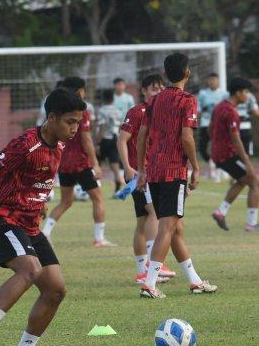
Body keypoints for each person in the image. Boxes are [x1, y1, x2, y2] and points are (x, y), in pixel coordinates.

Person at [0, 88, 86, 346]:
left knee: (56, 290)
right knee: (30, 269)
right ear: (51, 118)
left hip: (29, 223)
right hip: (2, 218)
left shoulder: (60, 144)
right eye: (70, 122)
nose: (75, 128)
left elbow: (36, 178)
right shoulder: (26, 144)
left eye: (78, 122)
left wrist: (38, 203)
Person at [136, 53, 217, 298]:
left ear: (165, 73)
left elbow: (141, 136)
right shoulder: (187, 100)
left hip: (155, 171)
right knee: (167, 228)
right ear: (187, 73)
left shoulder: (154, 100)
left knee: (175, 228)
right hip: (173, 171)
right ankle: (150, 284)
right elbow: (187, 137)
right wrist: (196, 167)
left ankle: (194, 281)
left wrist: (141, 169)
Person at [41, 77, 114, 247]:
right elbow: (86, 139)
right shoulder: (81, 110)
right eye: (84, 90)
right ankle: (99, 238)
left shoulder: (58, 111)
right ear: (79, 91)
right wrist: (95, 163)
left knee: (66, 201)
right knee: (98, 199)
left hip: (63, 163)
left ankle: (45, 233)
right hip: (81, 163)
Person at [118, 74, 176, 284]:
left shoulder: (162, 112)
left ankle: (142, 270)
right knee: (153, 213)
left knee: (142, 221)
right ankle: (154, 266)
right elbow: (122, 140)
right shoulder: (137, 111)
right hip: (140, 174)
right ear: (143, 91)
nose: (158, 91)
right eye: (153, 88)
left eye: (161, 88)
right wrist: (127, 167)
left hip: (155, 172)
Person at [210, 78, 259, 232]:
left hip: (218, 153)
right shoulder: (231, 112)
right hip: (228, 154)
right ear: (238, 93)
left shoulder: (219, 106)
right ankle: (252, 224)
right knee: (255, 183)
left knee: (242, 181)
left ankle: (221, 212)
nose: (247, 96)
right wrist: (246, 160)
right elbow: (235, 139)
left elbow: (210, 128)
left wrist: (214, 144)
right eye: (246, 92)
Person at [197, 73, 229, 182]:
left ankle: (219, 172)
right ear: (208, 81)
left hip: (219, 125)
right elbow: (198, 107)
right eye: (211, 80)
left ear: (218, 81)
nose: (213, 82)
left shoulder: (224, 94)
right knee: (202, 148)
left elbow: (227, 108)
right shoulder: (203, 94)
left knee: (219, 148)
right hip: (205, 123)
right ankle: (212, 166)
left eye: (215, 80)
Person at [96, 90, 126, 194]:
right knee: (115, 165)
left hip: (105, 139)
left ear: (103, 99)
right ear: (113, 99)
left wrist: (98, 143)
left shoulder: (102, 110)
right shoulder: (118, 111)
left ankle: (96, 189)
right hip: (115, 139)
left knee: (97, 164)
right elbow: (121, 126)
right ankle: (118, 188)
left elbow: (103, 127)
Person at [236, 90, 259, 157]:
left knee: (243, 146)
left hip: (243, 125)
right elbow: (257, 113)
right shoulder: (249, 96)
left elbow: (257, 112)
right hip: (239, 125)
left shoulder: (249, 96)